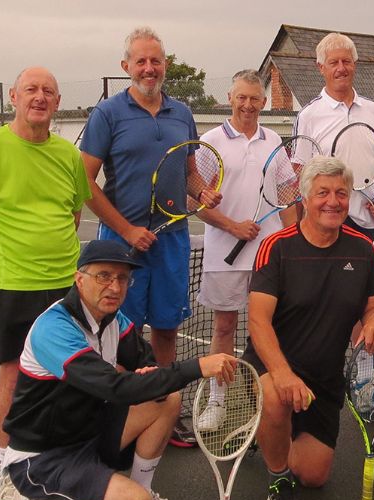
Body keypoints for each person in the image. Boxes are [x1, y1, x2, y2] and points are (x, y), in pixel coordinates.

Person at [0, 240, 238, 500]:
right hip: (42, 456)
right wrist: (198, 366)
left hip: (86, 434)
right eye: (104, 276)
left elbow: (146, 360)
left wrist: (151, 373)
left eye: (122, 278)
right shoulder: (54, 329)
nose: (114, 286)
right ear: (79, 278)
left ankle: (147, 496)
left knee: (165, 398)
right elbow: (112, 388)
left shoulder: (112, 318)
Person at [0, 66, 91, 500]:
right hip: (11, 286)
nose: (40, 97)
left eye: (48, 91)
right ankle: (9, 469)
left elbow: (72, 215)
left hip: (67, 287)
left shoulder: (68, 156)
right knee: (13, 376)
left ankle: (62, 462)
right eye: (31, 89)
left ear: (57, 101)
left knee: (71, 376)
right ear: (13, 96)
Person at [79, 27, 222, 446]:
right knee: (121, 331)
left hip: (172, 240)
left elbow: (190, 172)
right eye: (140, 61)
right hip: (122, 245)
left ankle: (165, 408)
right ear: (126, 67)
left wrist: (202, 192)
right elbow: (84, 182)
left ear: (165, 65)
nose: (148, 68)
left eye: (155, 60)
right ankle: (120, 412)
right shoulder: (106, 114)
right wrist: (126, 230)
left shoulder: (182, 113)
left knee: (165, 327)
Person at [243, 156, 374, 500]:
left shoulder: (361, 248)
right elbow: (258, 323)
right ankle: (278, 480)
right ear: (305, 199)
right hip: (273, 362)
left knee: (314, 476)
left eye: (341, 193)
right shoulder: (276, 248)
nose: (333, 201)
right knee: (277, 398)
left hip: (324, 377)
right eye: (322, 192)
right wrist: (283, 374)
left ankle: (272, 434)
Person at [194, 70, 296, 431]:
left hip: (269, 255)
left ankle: (263, 402)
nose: (248, 105)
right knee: (223, 327)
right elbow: (198, 201)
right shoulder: (209, 141)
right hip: (225, 254)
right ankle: (216, 402)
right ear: (230, 98)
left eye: (255, 99)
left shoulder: (274, 142)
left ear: (263, 102)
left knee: (267, 329)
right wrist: (232, 226)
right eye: (242, 98)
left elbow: (287, 197)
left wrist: (292, 239)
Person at [293, 32, 374, 240]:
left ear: (354, 64)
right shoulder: (308, 115)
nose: (341, 68)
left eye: (346, 61)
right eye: (333, 62)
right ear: (321, 67)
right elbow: (299, 174)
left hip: (370, 223)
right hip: (326, 225)